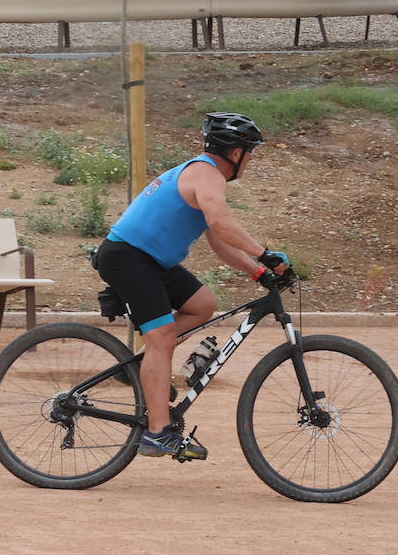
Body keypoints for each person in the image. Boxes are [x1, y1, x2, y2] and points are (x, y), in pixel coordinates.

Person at [93, 111, 291, 462]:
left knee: (202, 305)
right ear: (236, 153)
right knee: (161, 337)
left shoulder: (204, 176)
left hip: (148, 259)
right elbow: (222, 224)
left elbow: (220, 240)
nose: (251, 159)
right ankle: (157, 434)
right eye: (250, 152)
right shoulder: (206, 174)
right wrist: (266, 254)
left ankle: (146, 366)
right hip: (128, 257)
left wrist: (259, 272)